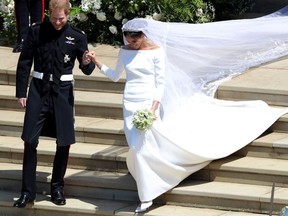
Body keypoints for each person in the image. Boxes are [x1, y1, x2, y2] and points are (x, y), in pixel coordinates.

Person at [87, 7, 288, 213]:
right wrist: (96, 62)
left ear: (143, 36)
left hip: (148, 102)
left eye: (135, 39)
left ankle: (147, 195)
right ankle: (154, 176)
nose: (132, 42)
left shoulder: (156, 52)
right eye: (129, 38)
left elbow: (160, 83)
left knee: (141, 145)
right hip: (129, 102)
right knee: (137, 143)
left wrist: (154, 107)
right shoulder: (125, 52)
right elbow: (115, 76)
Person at [13, 0, 95, 208]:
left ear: (68, 15)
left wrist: (87, 62)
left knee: (64, 141)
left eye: (62, 18)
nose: (58, 22)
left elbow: (87, 68)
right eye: (54, 18)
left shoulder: (77, 36)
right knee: (29, 140)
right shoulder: (37, 32)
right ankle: (27, 192)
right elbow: (24, 62)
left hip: (62, 93)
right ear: (49, 14)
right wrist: (21, 92)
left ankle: (57, 187)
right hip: (39, 90)